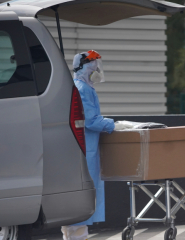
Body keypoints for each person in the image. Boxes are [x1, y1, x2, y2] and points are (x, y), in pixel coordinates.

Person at [62, 51, 124, 240]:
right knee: (85, 192)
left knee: (86, 192)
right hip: (84, 149)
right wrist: (113, 125)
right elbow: (90, 120)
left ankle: (76, 234)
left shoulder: (82, 87)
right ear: (86, 65)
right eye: (94, 65)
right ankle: (77, 235)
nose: (97, 69)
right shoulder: (81, 89)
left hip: (86, 147)